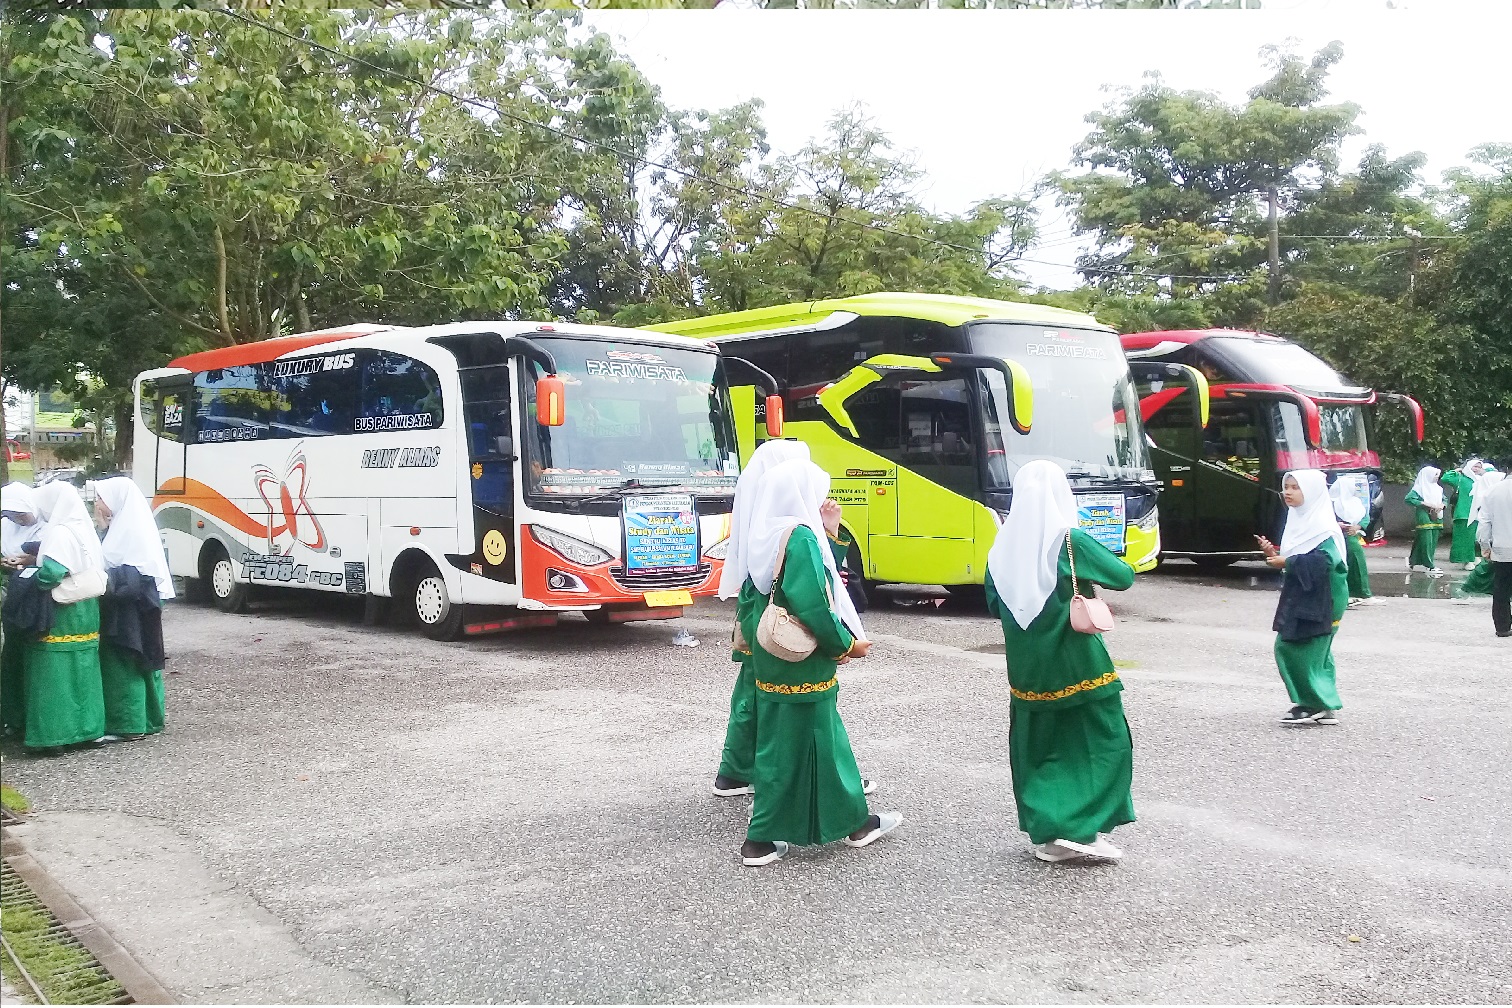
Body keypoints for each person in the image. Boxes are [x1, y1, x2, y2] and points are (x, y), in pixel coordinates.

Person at [733, 458, 901, 867]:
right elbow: (814, 603)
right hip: (803, 661)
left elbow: (783, 587)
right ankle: (850, 824)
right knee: (824, 743)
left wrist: (829, 532)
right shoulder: (801, 537)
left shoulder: (763, 532)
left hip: (773, 658)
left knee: (782, 748)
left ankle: (769, 837)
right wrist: (845, 645)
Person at [983, 460, 1136, 864]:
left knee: (1041, 749)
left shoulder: (1000, 549)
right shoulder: (1069, 540)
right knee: (1103, 742)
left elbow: (994, 604)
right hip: (1078, 664)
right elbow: (1122, 576)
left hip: (1027, 669)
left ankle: (1051, 831)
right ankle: (1079, 828)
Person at [712, 438, 811, 798]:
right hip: (777, 621)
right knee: (781, 704)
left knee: (750, 696)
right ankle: (803, 779)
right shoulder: (786, 523)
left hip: (755, 614)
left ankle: (736, 771)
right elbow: (809, 583)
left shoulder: (755, 509)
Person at [6, 482, 106, 752]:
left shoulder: (60, 531)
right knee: (84, 671)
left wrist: (27, 578)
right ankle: (89, 731)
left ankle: (54, 736)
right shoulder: (83, 528)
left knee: (52, 675)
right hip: (87, 609)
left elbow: (52, 572)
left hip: (62, 614)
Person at [1258, 471, 1348, 726]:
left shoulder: (1323, 528)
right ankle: (1323, 704)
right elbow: (1300, 558)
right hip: (1304, 595)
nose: (1288, 492)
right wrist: (1275, 555)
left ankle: (1313, 703)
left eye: (1295, 487)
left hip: (1324, 598)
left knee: (1296, 647)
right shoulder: (1300, 521)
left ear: (1312, 492)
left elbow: (1326, 561)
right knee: (1316, 652)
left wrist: (1287, 561)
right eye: (1286, 486)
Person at [92, 477, 171, 741]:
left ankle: (128, 724)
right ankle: (148, 718)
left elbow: (119, 572)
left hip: (129, 608)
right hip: (142, 603)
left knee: (124, 662)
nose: (97, 504)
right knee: (144, 661)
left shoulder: (128, 532)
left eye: (100, 498)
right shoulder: (129, 525)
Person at [2, 482, 45, 737]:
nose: (17, 519)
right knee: (13, 657)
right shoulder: (6, 527)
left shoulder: (48, 524)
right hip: (14, 593)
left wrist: (31, 559)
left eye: (20, 513)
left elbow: (57, 557)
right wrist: (6, 562)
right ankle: (13, 718)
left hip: (37, 596)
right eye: (11, 515)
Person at [1455, 470, 1507, 603]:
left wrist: (1485, 546)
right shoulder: (1492, 495)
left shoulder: (1491, 495)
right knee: (1487, 571)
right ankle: (1465, 590)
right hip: (1498, 544)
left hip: (1498, 544)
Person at [1475, 461, 1512, 638]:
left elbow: (1484, 523)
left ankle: (1502, 627)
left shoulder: (1492, 491)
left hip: (1502, 549)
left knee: (1501, 589)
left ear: (1507, 469)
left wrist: (1485, 547)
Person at [1328, 475, 1378, 608]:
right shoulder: (1331, 503)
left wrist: (1357, 527)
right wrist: (1339, 525)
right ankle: (1348, 595)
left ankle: (1362, 593)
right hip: (1338, 537)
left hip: (1353, 536)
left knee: (1358, 563)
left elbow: (1365, 517)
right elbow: (1326, 519)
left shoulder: (1356, 502)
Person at [1441, 459, 1486, 569]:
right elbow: (1445, 478)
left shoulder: (1481, 480)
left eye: (1479, 467)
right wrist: (1456, 470)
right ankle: (1467, 561)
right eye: (1475, 466)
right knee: (1464, 539)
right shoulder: (1461, 479)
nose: (1476, 469)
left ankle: (1473, 557)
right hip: (1464, 513)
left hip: (1478, 514)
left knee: (1474, 538)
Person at [1404, 465, 1446, 576]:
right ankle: (1429, 565)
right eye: (1435, 474)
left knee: (1430, 540)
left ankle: (1413, 561)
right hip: (1424, 515)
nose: (1437, 477)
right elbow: (1409, 499)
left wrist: (1442, 505)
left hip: (1436, 515)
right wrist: (1424, 503)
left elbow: (1444, 499)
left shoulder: (1438, 488)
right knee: (1426, 540)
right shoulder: (1419, 488)